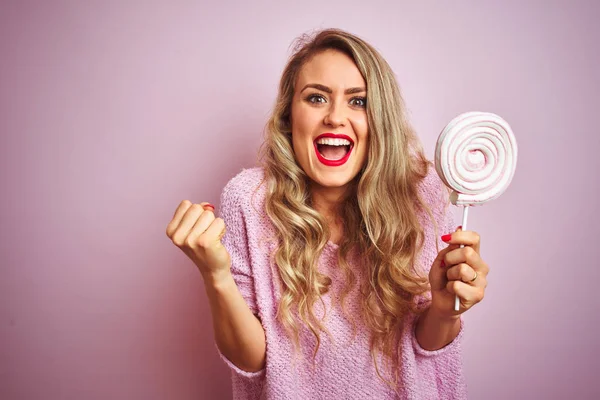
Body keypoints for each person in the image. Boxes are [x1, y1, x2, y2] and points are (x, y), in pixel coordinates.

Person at [166, 28, 489, 399]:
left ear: (380, 118)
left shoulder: (420, 191)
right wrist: (215, 276)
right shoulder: (249, 200)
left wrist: (446, 311)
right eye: (316, 98)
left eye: (359, 101)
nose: (335, 117)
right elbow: (253, 365)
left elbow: (427, 348)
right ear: (290, 115)